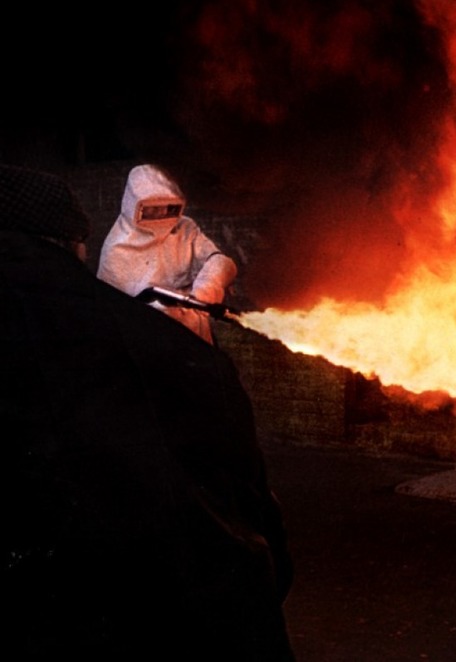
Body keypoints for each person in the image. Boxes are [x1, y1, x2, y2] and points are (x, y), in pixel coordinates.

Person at [1, 164, 295, 661]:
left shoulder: (185, 239)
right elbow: (252, 532)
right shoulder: (141, 328)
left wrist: (207, 286)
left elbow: (217, 259)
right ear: (73, 243)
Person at [97, 163, 238, 344]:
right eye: (153, 208)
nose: (162, 213)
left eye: (169, 207)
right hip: (150, 345)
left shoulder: (185, 229)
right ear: (135, 205)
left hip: (197, 338)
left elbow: (218, 260)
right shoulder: (117, 249)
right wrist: (164, 313)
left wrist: (209, 285)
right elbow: (114, 312)